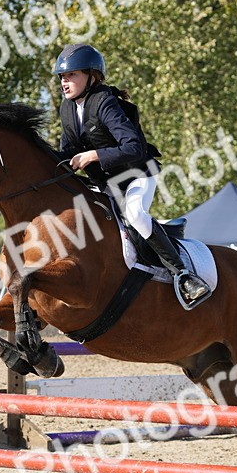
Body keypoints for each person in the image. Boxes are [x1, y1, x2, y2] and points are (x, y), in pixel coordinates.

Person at [51, 43, 210, 306]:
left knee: (135, 215)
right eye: (62, 77)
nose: (64, 82)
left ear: (92, 77)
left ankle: (183, 274)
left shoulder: (104, 102)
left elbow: (133, 147)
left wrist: (94, 155)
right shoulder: (67, 109)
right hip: (105, 184)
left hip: (137, 175)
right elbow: (67, 151)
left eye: (71, 76)